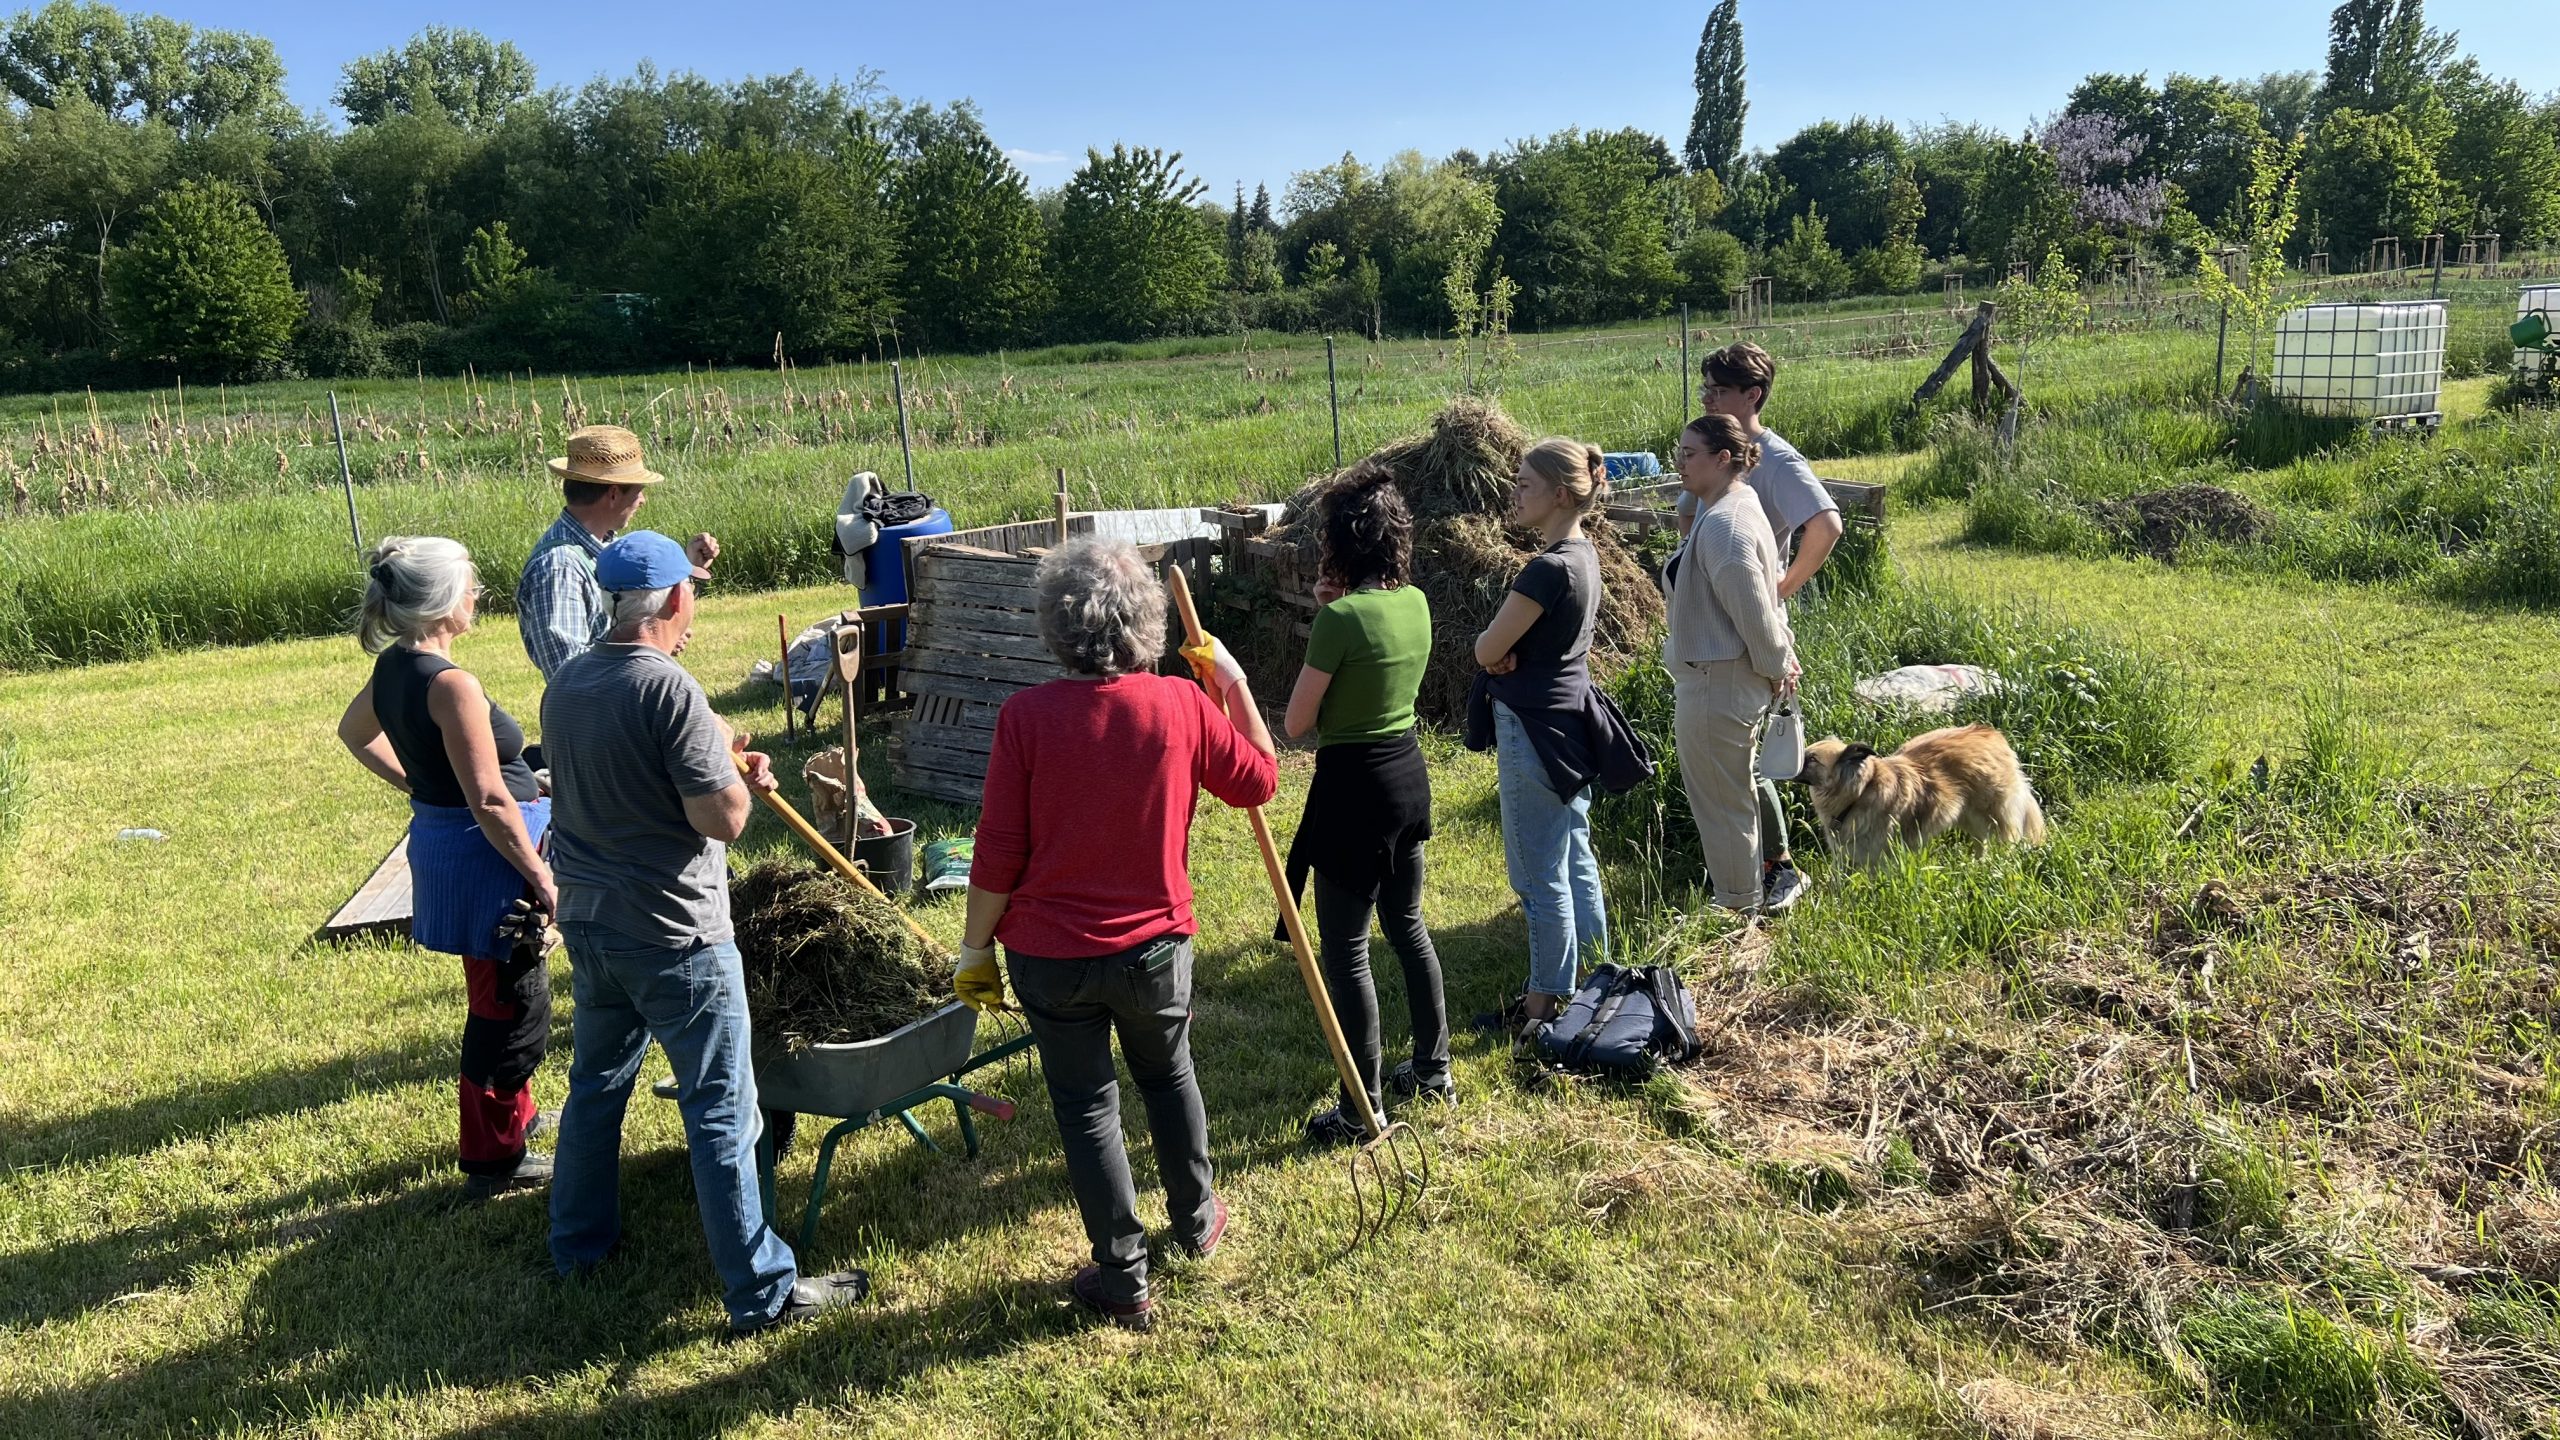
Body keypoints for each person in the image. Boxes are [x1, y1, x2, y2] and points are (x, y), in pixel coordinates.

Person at [950, 536, 1278, 1333]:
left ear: (1056, 625)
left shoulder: (1027, 717)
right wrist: (1228, 678)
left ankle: (1122, 1274)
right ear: (1146, 624)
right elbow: (1262, 776)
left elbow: (997, 850)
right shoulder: (1181, 703)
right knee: (1169, 1077)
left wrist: (974, 948)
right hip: (1156, 950)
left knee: (1086, 1105)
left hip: (1050, 958)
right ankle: (1197, 1220)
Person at [542, 530, 864, 1337]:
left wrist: (717, 758)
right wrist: (735, 783)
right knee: (724, 1108)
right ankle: (761, 1291)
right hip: (675, 935)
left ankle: (577, 1246)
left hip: (593, 925)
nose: (693, 612)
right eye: (693, 595)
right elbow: (719, 819)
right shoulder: (668, 688)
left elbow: (631, 783)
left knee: (596, 1088)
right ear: (674, 599)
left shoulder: (568, 683)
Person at [337, 536, 558, 1200]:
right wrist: (545, 879)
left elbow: (355, 734)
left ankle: (513, 1118)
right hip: (488, 864)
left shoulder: (397, 669)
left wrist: (424, 787)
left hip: (456, 850)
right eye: (469, 586)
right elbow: (490, 799)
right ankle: (491, 1158)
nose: (476, 596)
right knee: (510, 1010)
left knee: (497, 995)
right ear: (439, 603)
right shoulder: (451, 684)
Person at [1281, 463, 1451, 1143]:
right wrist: (1337, 612)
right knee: (1407, 926)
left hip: (1354, 788)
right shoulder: (1415, 602)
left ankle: (1363, 1107)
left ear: (1342, 544)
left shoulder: (1340, 620)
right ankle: (1433, 1069)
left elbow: (1296, 723)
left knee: (1346, 948)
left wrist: (1330, 618)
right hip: (1408, 775)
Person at [1467, 438, 1652, 1027]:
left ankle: (1542, 1004)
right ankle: (1596, 981)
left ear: (1561, 494)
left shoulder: (1546, 570)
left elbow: (1485, 648)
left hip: (1533, 728)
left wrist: (1498, 654)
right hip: (1571, 721)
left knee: (1536, 874)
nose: (1514, 493)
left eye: (1525, 484)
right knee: (1575, 853)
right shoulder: (1584, 555)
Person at [1688, 342, 1842, 912]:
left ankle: (1776, 869)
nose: (1707, 398)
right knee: (1732, 759)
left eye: (1719, 391)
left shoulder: (1775, 459)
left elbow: (1825, 524)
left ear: (1752, 396)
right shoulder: (1718, 449)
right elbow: (1691, 510)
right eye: (1705, 389)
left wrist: (1779, 588)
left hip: (1749, 629)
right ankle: (1752, 869)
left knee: (1743, 757)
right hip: (1716, 624)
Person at [1661, 415, 1799, 916]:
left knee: (1724, 806)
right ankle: (1747, 899)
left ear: (1724, 459)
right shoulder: (1730, 505)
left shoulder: (1725, 525)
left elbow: (1755, 611)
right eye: (1678, 452)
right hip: (1718, 676)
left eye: (1690, 453)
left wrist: (1776, 664)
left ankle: (1740, 913)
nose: (1680, 463)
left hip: (1718, 681)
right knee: (1732, 795)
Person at [518, 424, 721, 682]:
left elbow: (629, 618)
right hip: (599, 718)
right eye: (638, 491)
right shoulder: (559, 568)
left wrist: (685, 568)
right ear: (613, 494)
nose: (642, 500)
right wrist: (648, 649)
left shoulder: (602, 546)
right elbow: (567, 674)